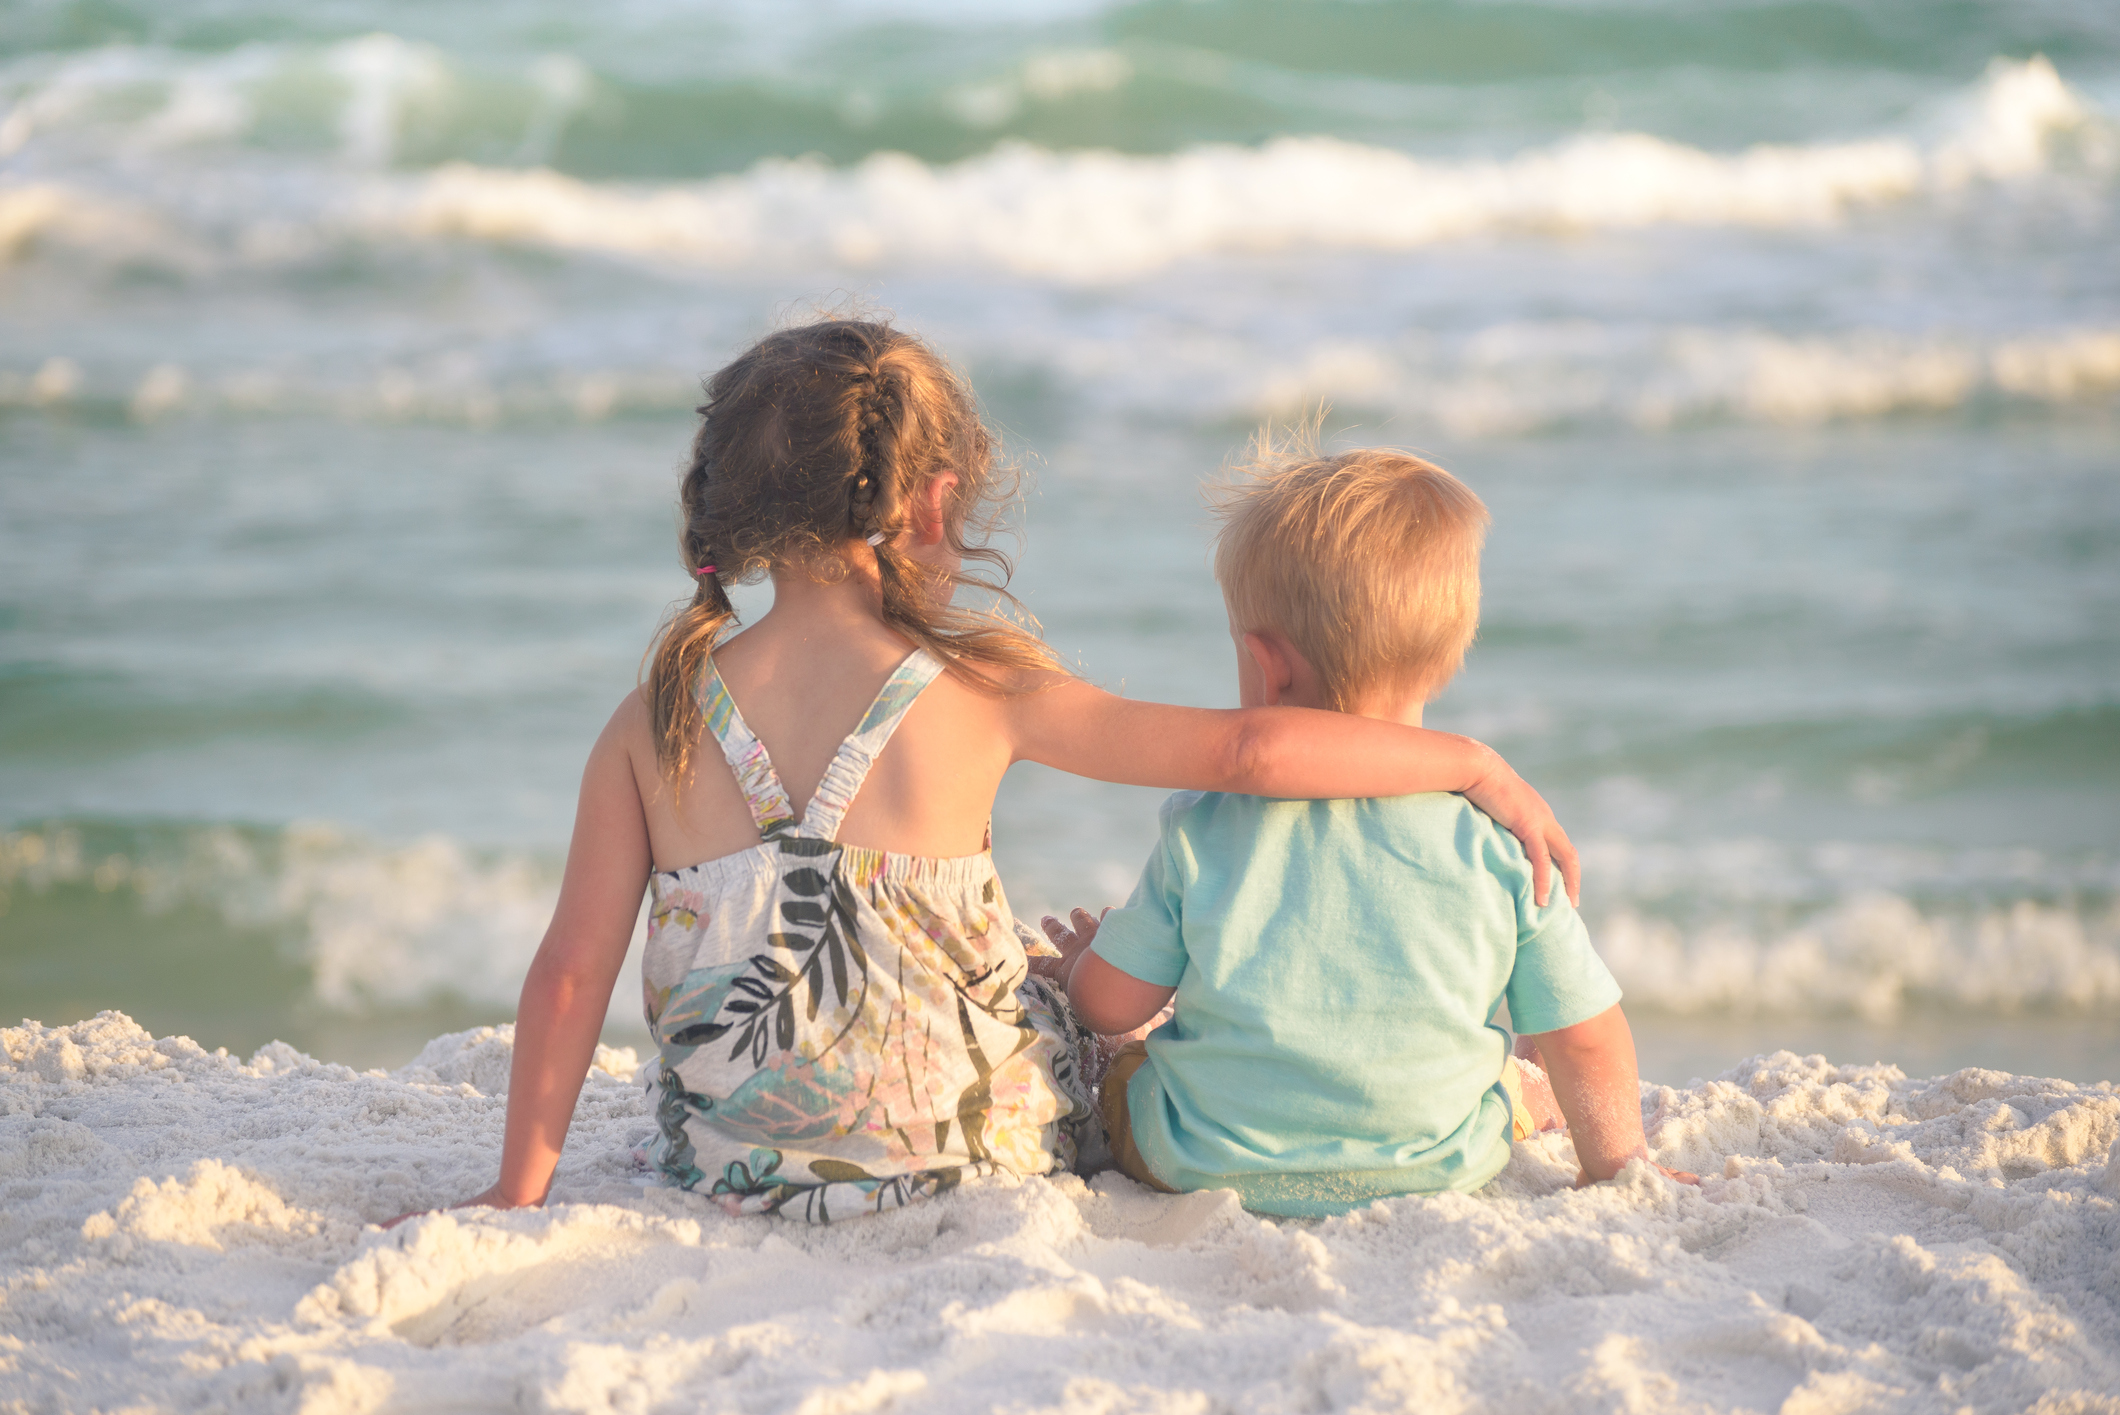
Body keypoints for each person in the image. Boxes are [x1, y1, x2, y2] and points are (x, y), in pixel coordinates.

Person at [407, 320, 1581, 1226]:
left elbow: (570, 975)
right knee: (1063, 986)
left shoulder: (651, 718)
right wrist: (1470, 762)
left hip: (735, 1165)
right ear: (933, 501)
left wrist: (521, 1190)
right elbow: (1252, 751)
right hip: (974, 1155)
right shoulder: (976, 686)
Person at [1048, 444, 1697, 1217]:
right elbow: (1586, 1033)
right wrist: (1617, 1163)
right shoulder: (1496, 839)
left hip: (1205, 1159)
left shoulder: (1207, 823)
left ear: (1266, 664)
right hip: (1440, 1165)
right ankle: (1527, 1096)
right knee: (1513, 1073)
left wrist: (1087, 964)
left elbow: (1115, 1003)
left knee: (1125, 1068)